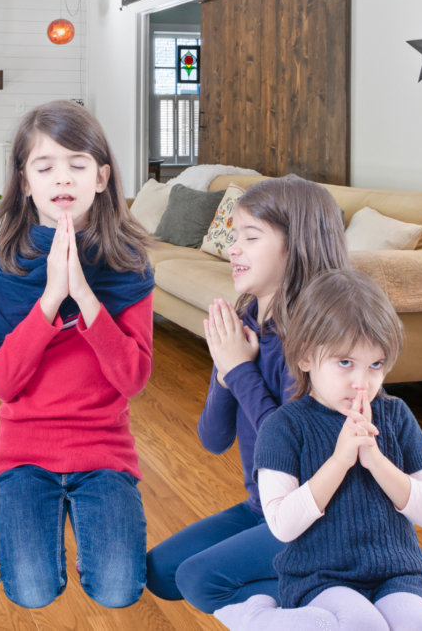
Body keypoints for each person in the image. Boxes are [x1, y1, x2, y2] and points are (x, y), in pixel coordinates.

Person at [216, 269, 422, 631]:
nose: (362, 382)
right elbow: (282, 526)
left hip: (397, 572)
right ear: (304, 358)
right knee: (363, 626)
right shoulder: (283, 426)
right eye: (345, 362)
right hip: (320, 577)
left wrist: (374, 459)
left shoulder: (396, 415)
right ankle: (259, 617)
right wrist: (340, 460)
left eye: (375, 364)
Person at [0, 100, 156, 609]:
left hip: (104, 449)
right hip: (24, 451)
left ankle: (94, 532)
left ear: (101, 176)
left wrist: (86, 297)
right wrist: (51, 297)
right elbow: (4, 383)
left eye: (77, 163)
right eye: (44, 166)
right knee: (30, 592)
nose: (62, 178)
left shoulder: (128, 264)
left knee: (117, 591)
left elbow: (132, 377)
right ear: (24, 182)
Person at [146, 175, 350, 613]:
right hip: (264, 507)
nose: (232, 248)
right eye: (234, 236)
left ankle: (351, 592)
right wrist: (226, 373)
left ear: (296, 246)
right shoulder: (247, 325)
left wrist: (240, 370)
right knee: (162, 573)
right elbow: (213, 439)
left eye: (250, 237)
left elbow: (300, 451)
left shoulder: (321, 347)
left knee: (200, 582)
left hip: (323, 518)